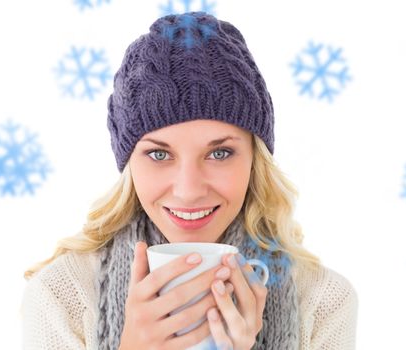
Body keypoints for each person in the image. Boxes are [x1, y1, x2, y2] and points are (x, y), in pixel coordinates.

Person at [21, 11, 358, 350]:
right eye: (159, 154)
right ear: (129, 165)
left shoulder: (323, 301)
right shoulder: (64, 295)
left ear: (255, 160)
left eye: (220, 153)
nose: (189, 190)